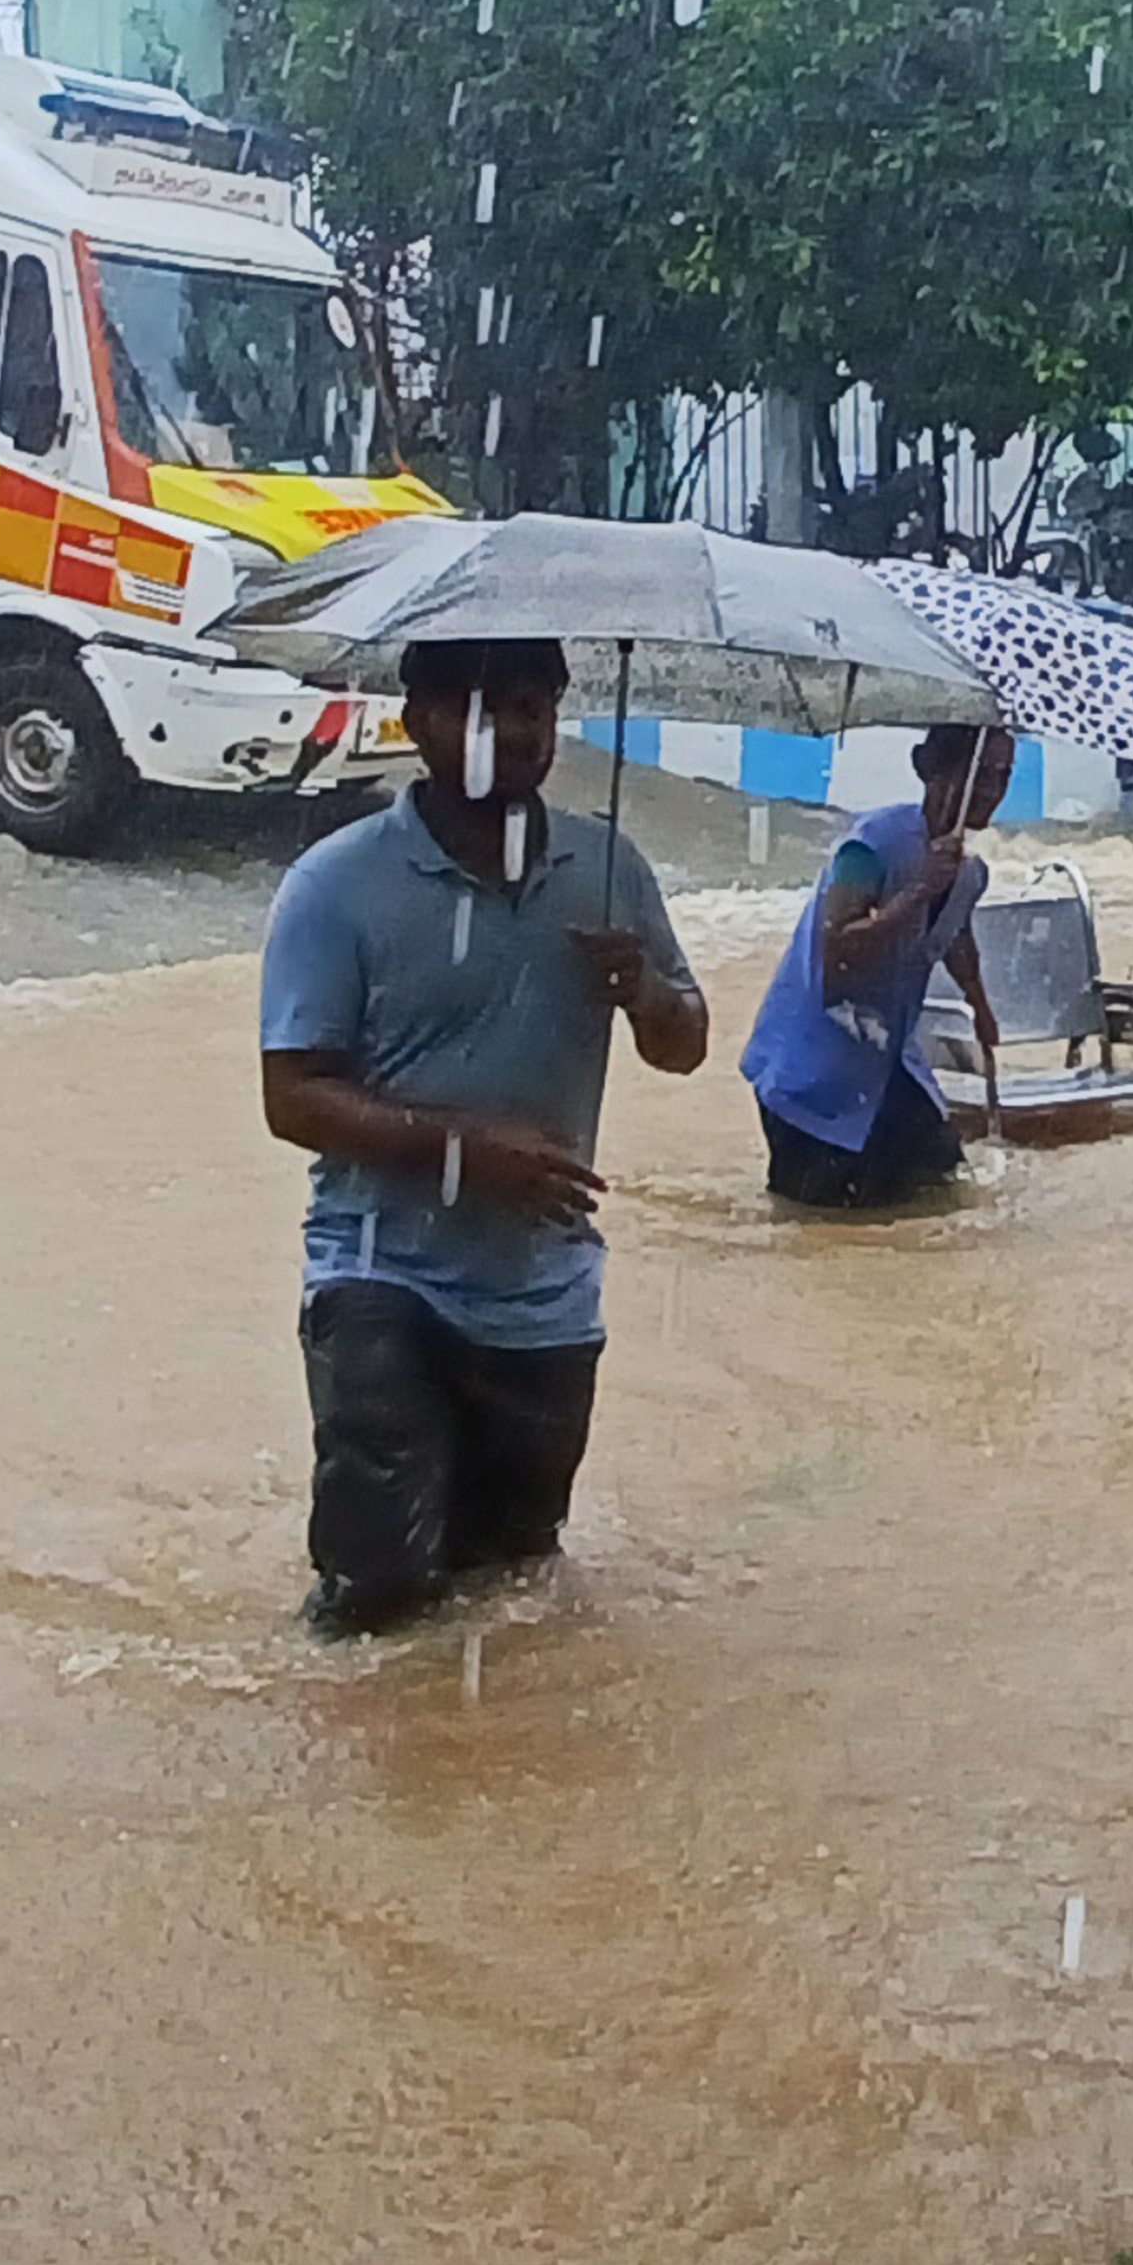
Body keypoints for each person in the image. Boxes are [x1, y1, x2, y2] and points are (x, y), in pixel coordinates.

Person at [257, 637, 709, 1633]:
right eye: (478, 710)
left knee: (511, 1593)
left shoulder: (606, 868)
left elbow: (685, 1047)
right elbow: (291, 1098)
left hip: (543, 1297)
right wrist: (465, 1153)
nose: (509, 735)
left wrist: (643, 991)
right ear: (415, 721)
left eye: (531, 709)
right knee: (375, 1599)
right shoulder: (336, 885)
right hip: (381, 1280)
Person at [738, 722, 1015, 1209]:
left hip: (886, 1063)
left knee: (940, 1185)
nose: (990, 790)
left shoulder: (969, 873)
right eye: (978, 774)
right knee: (818, 1222)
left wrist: (982, 1007)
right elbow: (837, 947)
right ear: (927, 768)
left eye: (1003, 776)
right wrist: (916, 892)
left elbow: (955, 935)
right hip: (813, 1070)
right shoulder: (868, 846)